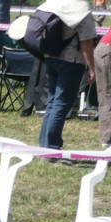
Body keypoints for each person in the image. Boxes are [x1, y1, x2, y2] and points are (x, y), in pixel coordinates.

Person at [37, 0, 96, 152]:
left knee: (52, 102)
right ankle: (52, 147)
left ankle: (44, 145)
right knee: (61, 104)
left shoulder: (55, 5)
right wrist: (91, 67)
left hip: (51, 57)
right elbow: (86, 41)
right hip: (71, 62)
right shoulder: (82, 12)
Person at [95, 28, 111, 146]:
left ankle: (106, 139)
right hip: (107, 52)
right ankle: (107, 138)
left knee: (104, 96)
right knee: (107, 95)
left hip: (102, 49)